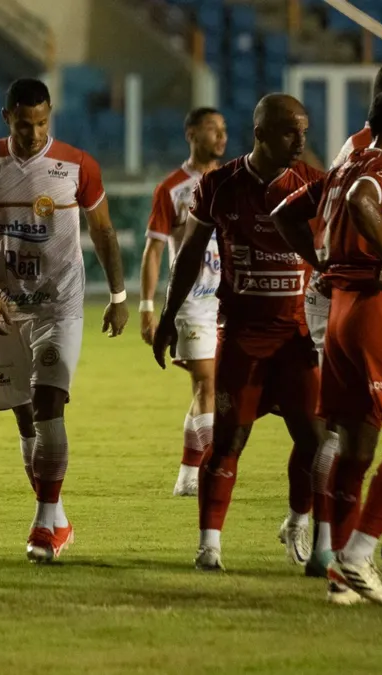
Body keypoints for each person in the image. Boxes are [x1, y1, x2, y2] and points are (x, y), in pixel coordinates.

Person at [272, 89, 382, 607]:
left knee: (355, 448)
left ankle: (338, 579)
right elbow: (362, 202)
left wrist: (321, 261)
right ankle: (358, 554)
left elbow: (285, 214)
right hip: (373, 309)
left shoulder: (344, 167)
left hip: (339, 311)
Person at [152, 94, 323, 571]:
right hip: (243, 336)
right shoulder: (220, 185)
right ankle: (209, 545)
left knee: (314, 440)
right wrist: (167, 317)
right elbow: (187, 255)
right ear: (262, 134)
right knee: (228, 441)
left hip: (297, 338)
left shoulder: (312, 184)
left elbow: (329, 254)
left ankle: (296, 522)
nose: (301, 142)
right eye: (291, 132)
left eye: (304, 132)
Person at [0, 78, 129, 563]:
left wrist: (119, 295)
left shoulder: (78, 165)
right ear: (6, 117)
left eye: (42, 123)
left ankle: (42, 525)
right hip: (9, 306)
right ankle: (57, 517)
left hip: (60, 303)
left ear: (50, 114)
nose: (34, 133)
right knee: (24, 419)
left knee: (48, 405)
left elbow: (102, 230)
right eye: (24, 124)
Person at [139, 107, 227, 497]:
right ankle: (211, 473)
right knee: (205, 383)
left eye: (224, 130)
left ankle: (187, 476)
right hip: (191, 301)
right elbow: (154, 250)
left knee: (211, 390)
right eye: (211, 129)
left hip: (228, 301)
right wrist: (146, 308)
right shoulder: (172, 188)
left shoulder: (231, 181)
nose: (220, 137)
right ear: (191, 133)